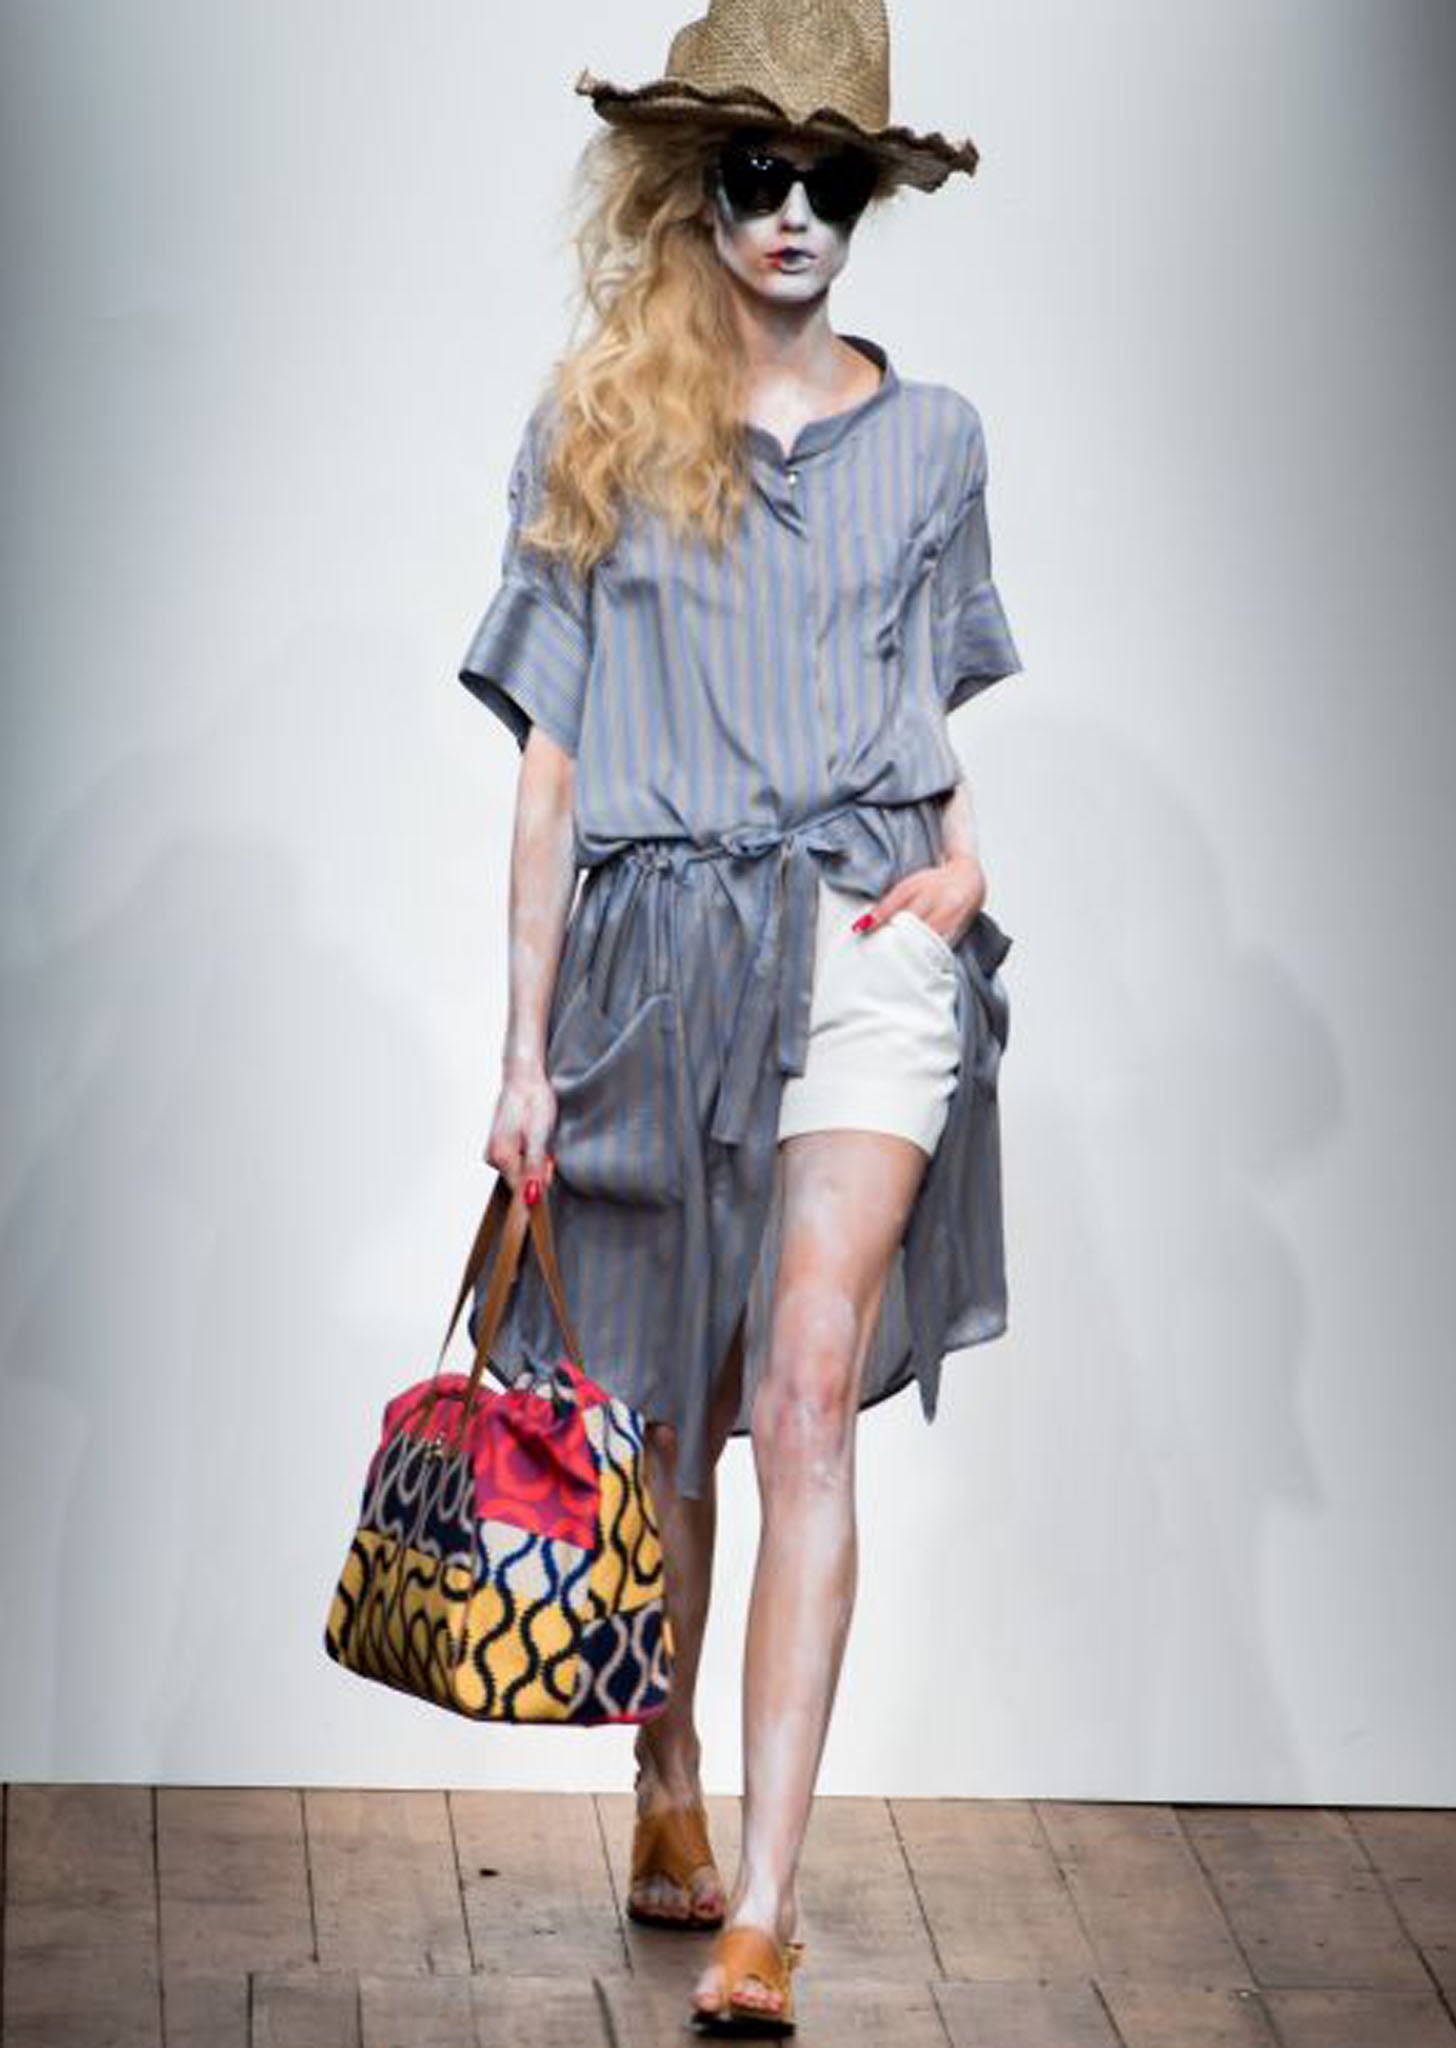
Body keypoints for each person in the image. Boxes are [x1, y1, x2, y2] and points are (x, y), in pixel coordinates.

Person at [454, 0, 1023, 2030]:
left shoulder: (935, 441)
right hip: (660, 961)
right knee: (675, 1424)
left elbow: (925, 715)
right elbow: (551, 764)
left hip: (866, 947)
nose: (793, 213)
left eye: (831, 181)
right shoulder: (600, 424)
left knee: (800, 1387)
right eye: (757, 174)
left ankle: (768, 1905)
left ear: (868, 203)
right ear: (692, 190)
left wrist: (962, 873)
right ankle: (667, 1771)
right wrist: (522, 1054)